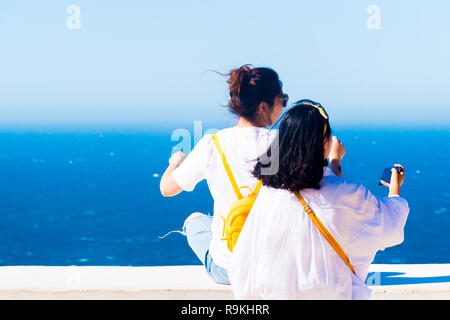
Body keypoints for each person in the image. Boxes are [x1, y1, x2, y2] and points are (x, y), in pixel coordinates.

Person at [228, 99, 410, 299]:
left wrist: (335, 163)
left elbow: (243, 267)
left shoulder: (268, 193)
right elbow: (390, 228)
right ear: (324, 143)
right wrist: (394, 189)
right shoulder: (348, 193)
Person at [159, 65, 288, 285]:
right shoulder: (287, 144)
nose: (284, 105)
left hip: (229, 271)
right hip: (276, 270)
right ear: (264, 106)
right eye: (282, 100)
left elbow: (167, 189)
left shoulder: (213, 144)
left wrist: (174, 164)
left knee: (196, 221)